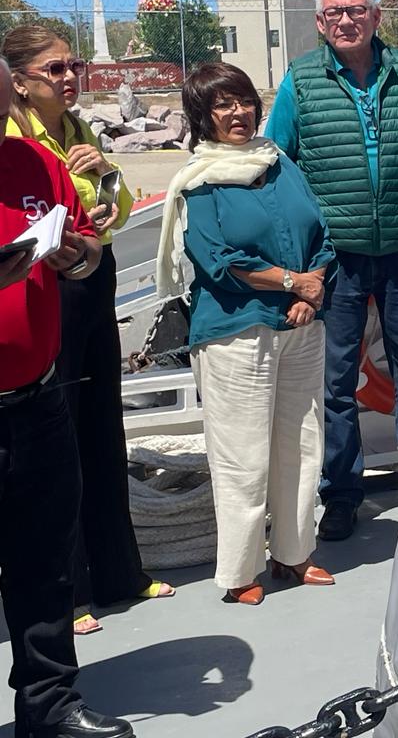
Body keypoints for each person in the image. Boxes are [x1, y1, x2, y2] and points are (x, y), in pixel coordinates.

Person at [265, 0, 398, 541]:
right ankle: (341, 496)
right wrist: (301, 261)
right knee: (336, 383)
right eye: (334, 13)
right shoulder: (301, 81)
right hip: (337, 257)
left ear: (375, 18)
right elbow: (279, 164)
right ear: (321, 24)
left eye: (356, 11)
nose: (345, 21)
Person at [3, 26, 173, 638]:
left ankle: (118, 572)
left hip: (89, 279)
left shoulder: (80, 133)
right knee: (59, 441)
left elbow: (117, 211)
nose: (69, 78)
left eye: (73, 65)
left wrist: (104, 178)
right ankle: (66, 588)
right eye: (54, 70)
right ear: (18, 82)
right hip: (41, 293)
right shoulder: (15, 141)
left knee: (103, 423)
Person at [158, 63, 335, 606]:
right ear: (202, 117)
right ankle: (239, 572)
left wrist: (312, 290)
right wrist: (292, 283)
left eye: (243, 101)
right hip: (236, 330)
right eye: (223, 106)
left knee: (303, 444)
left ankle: (294, 552)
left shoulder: (281, 163)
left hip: (301, 325)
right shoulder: (200, 181)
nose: (238, 114)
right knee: (243, 454)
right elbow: (215, 259)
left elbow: (320, 234)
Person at [0, 57, 134, 738]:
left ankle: (48, 709)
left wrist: (75, 253)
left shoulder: (35, 164)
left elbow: (85, 247)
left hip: (36, 397)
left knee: (44, 566)